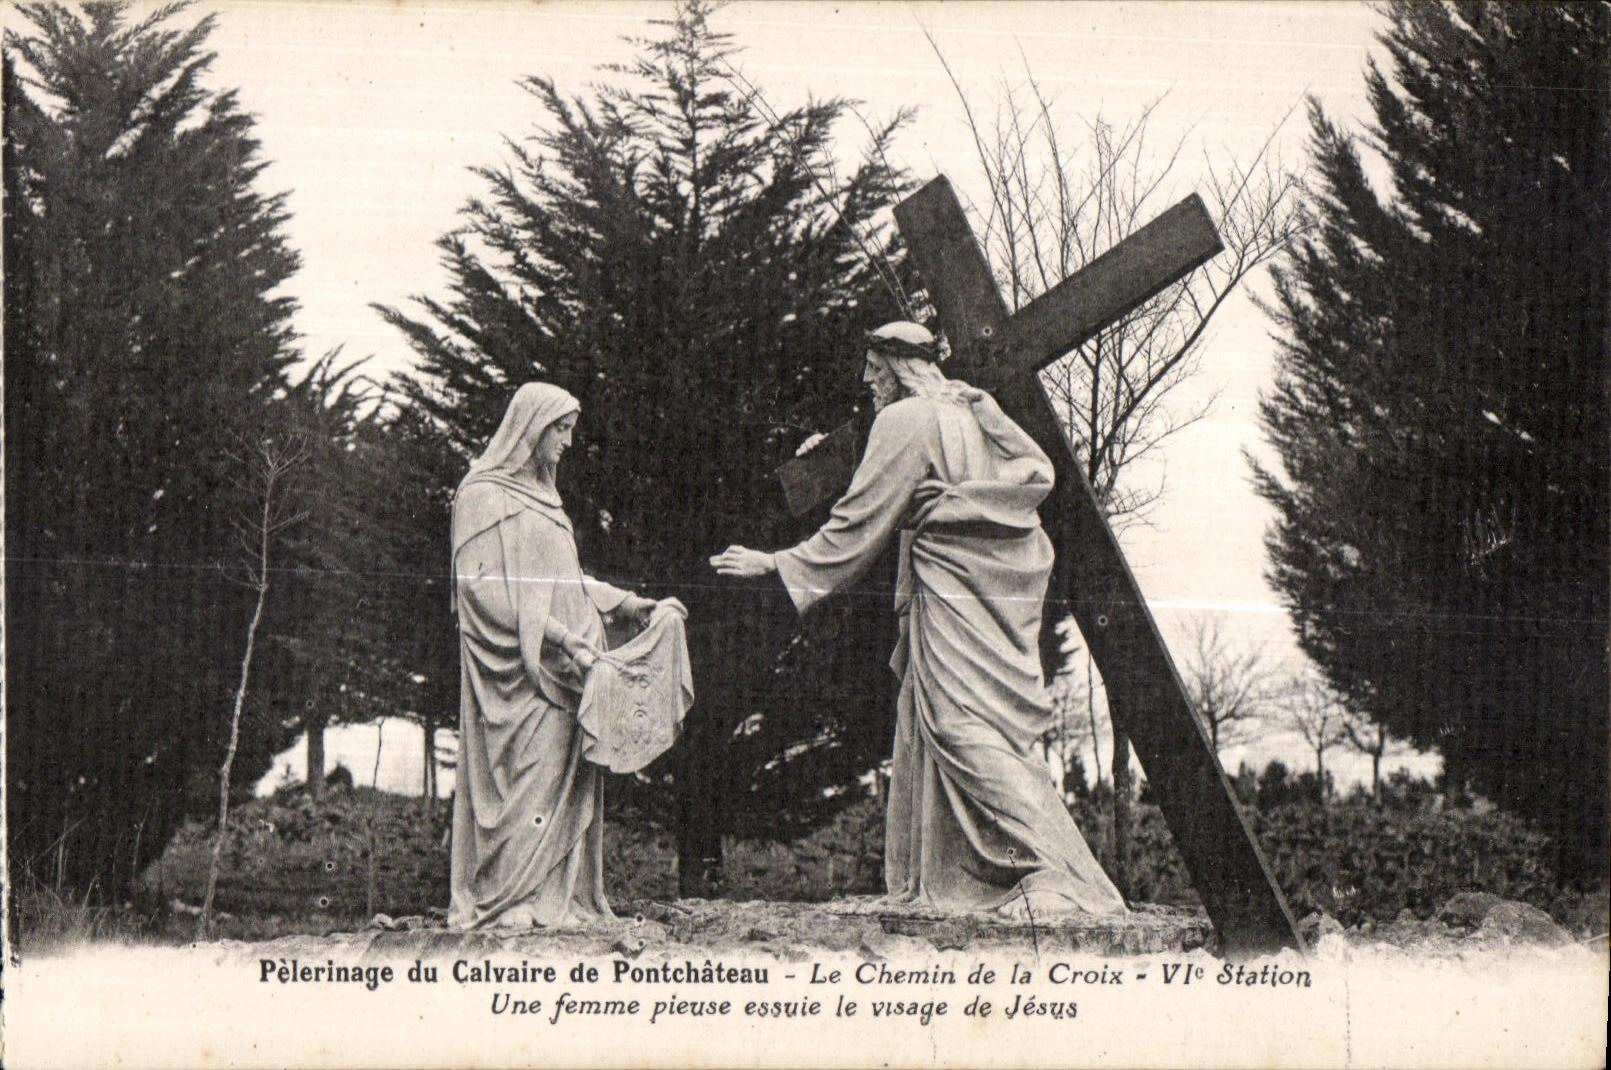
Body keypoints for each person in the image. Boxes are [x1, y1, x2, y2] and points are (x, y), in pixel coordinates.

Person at [711, 322, 1126, 918]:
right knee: (937, 726)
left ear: (900, 368)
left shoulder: (906, 420)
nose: (865, 381)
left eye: (874, 370)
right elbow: (953, 490)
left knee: (958, 728)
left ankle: (1060, 872)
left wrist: (776, 563)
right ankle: (966, 878)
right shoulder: (974, 417)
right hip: (987, 595)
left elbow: (861, 521)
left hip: (956, 597)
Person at [448, 382, 665, 930]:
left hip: (567, 672)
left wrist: (630, 604)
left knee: (558, 783)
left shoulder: (548, 501)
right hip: (518, 673)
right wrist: (562, 639)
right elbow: (480, 589)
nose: (568, 442)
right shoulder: (480, 495)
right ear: (531, 427)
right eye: (561, 429)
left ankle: (558, 901)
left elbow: (569, 584)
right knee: (523, 780)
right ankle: (504, 900)